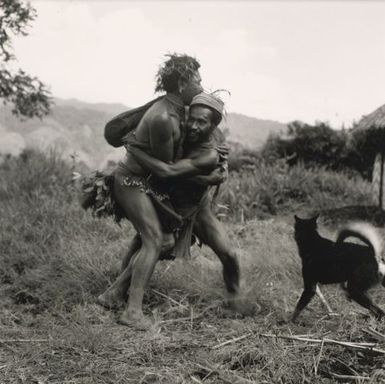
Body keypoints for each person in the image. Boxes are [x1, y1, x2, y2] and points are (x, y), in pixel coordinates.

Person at [102, 93, 246, 323]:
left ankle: (236, 301)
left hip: (198, 207)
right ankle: (117, 295)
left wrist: (218, 172)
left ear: (213, 126)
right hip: (168, 200)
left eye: (202, 122)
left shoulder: (211, 150)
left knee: (229, 254)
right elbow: (168, 172)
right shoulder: (175, 127)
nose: (194, 126)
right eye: (193, 118)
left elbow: (174, 172)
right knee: (150, 242)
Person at [97, 54, 203, 329]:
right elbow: (164, 169)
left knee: (155, 240)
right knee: (157, 241)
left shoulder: (176, 110)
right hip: (132, 181)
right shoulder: (163, 117)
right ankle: (132, 312)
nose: (202, 87)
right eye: (198, 82)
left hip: (146, 182)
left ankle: (113, 295)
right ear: (182, 83)